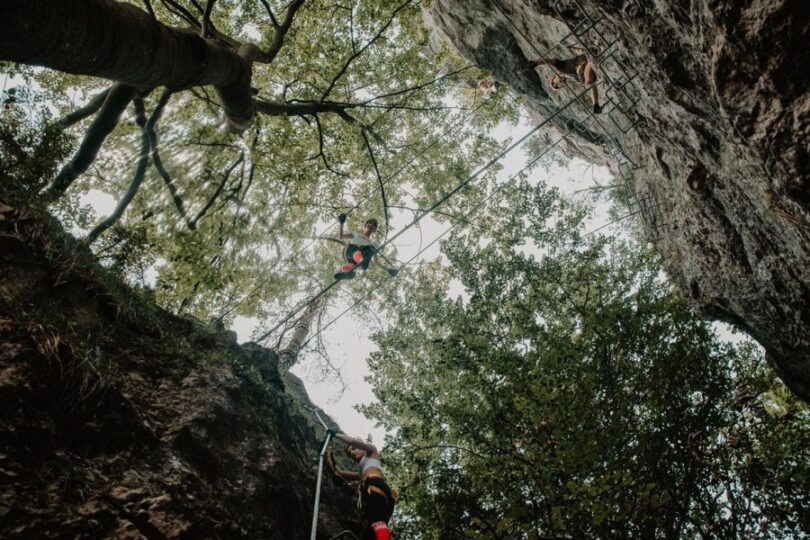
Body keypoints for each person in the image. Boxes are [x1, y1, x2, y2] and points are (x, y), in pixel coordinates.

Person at [326, 431, 396, 540]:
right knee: (372, 530)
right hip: (377, 489)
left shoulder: (372, 451)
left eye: (354, 449)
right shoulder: (363, 472)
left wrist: (335, 435)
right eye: (350, 454)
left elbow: (354, 441)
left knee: (377, 521)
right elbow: (342, 474)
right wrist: (332, 463)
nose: (352, 454)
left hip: (375, 485)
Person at [526, 53, 603, 113]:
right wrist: (595, 104)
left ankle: (591, 60)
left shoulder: (561, 68)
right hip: (587, 71)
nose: (557, 84)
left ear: (556, 76)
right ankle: (592, 62)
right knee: (589, 83)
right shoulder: (574, 79)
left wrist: (536, 63)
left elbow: (550, 61)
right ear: (563, 85)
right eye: (558, 86)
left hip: (581, 61)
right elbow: (592, 86)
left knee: (586, 81)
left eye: (554, 83)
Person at [335, 213, 398, 280]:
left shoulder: (373, 244)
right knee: (358, 252)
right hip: (351, 251)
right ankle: (358, 261)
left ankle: (345, 271)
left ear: (374, 230)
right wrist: (341, 223)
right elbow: (341, 236)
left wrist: (388, 270)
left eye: (373, 225)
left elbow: (377, 262)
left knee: (370, 249)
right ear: (364, 226)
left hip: (363, 257)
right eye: (369, 223)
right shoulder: (355, 234)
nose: (371, 225)